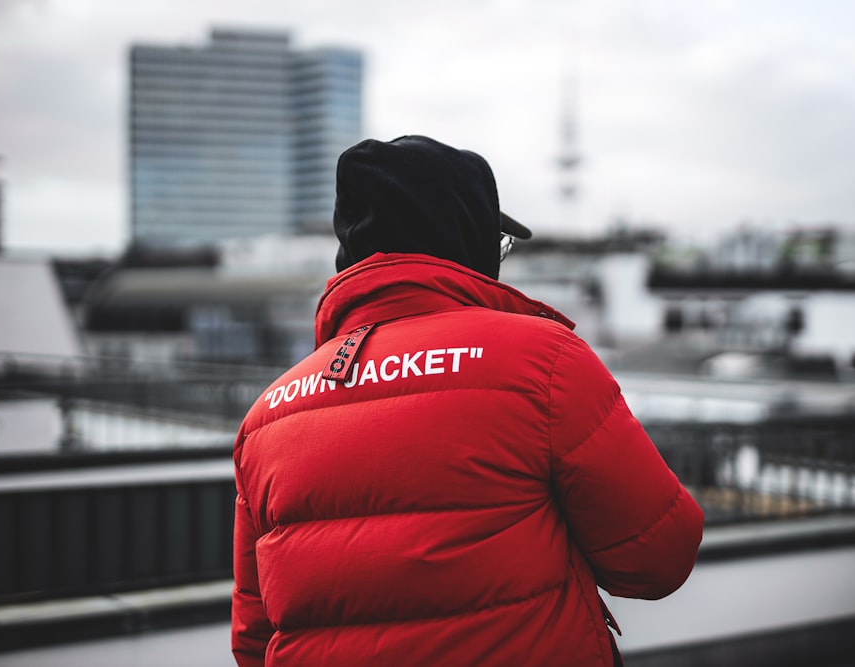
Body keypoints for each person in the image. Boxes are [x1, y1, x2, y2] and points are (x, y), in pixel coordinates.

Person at [231, 135, 704, 667]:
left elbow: (254, 640)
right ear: (465, 240)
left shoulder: (268, 414)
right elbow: (661, 556)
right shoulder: (543, 361)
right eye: (497, 242)